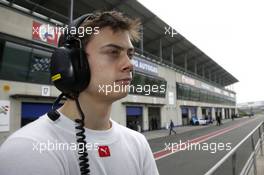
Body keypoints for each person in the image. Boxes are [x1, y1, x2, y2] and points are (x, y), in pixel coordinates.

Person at [0, 11, 159, 175]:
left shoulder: (138, 143)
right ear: (73, 63)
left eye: (130, 54)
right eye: (113, 52)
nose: (129, 64)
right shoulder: (28, 149)